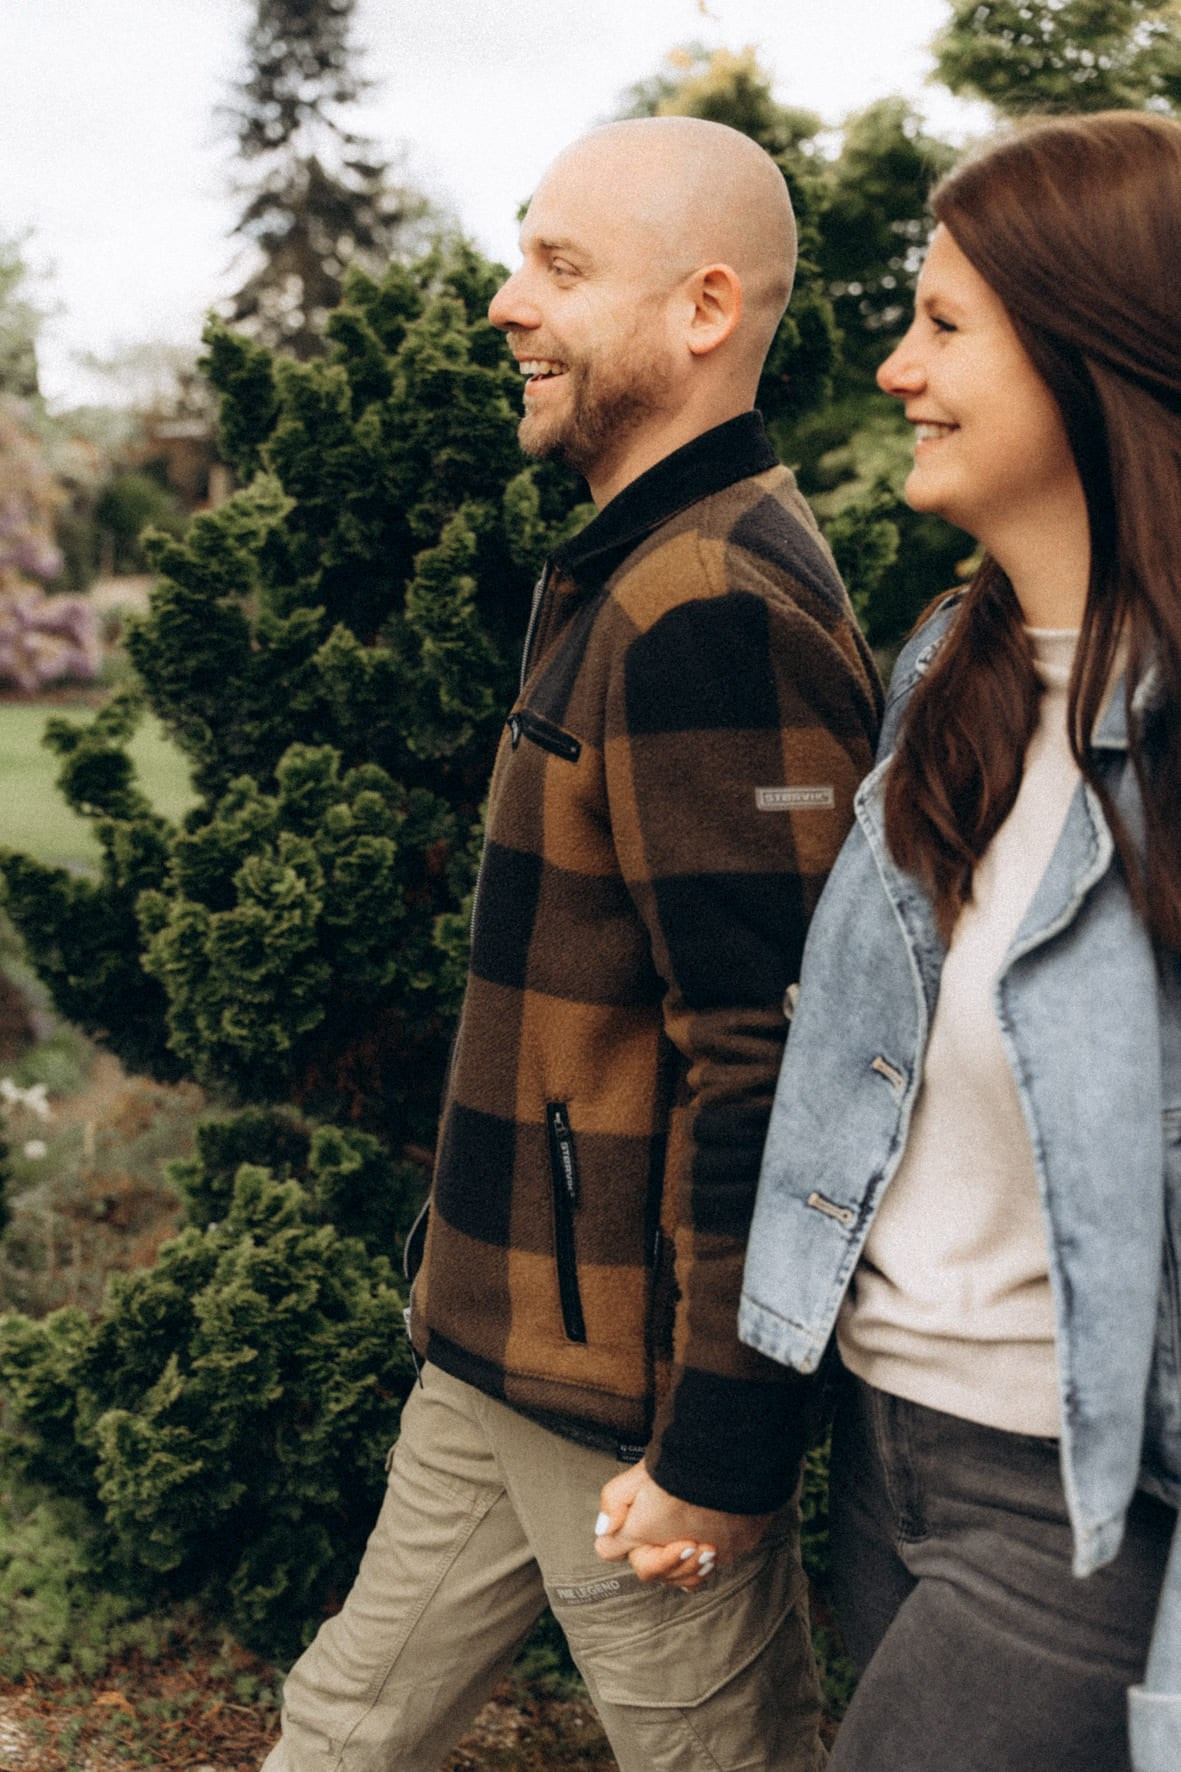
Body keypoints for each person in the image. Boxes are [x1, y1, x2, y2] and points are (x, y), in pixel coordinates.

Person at [262, 115, 882, 1772]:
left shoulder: (709, 608)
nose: (503, 303)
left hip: (624, 1392)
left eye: (559, 265)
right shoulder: (631, 569)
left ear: (702, 310)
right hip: (499, 1338)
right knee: (340, 1728)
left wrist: (722, 1447)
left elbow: (777, 1058)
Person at [737, 110, 1181, 1772]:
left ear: (1089, 353)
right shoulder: (949, 670)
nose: (894, 369)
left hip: (1082, 1506)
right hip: (883, 1440)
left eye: (941, 323)